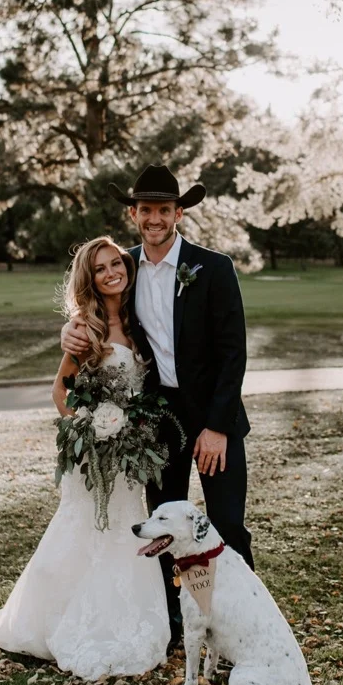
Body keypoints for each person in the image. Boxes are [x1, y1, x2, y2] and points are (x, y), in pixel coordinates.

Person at [0, 236, 168, 679]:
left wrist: (129, 433)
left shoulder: (138, 320)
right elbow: (61, 391)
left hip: (128, 457)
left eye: (116, 264)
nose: (112, 273)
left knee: (123, 527)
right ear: (90, 279)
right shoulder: (85, 329)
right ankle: (54, 620)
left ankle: (123, 618)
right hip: (98, 454)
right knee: (86, 529)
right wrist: (91, 431)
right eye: (100, 269)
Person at [61, 164, 253, 648]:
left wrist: (217, 427)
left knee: (227, 524)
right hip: (157, 423)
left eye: (163, 210)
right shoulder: (122, 267)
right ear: (133, 214)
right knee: (164, 530)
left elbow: (233, 354)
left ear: (178, 214)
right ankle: (175, 624)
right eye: (145, 210)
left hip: (215, 419)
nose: (154, 219)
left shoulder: (214, 268)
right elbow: (93, 307)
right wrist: (68, 331)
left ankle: (242, 624)